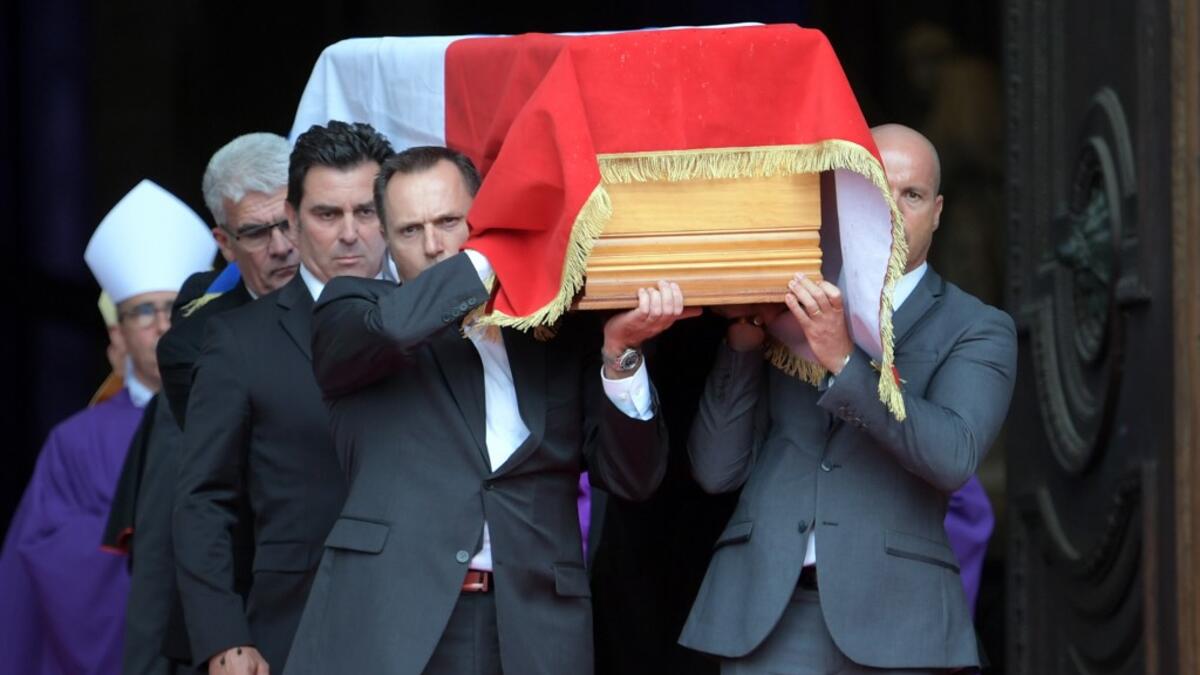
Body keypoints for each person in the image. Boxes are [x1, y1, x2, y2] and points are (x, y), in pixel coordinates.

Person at [285, 146, 690, 675]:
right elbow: (394, 329)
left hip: (536, 627)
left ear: (480, 219)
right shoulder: (351, 311)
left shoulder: (555, 331)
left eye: (450, 221)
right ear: (384, 239)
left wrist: (621, 356)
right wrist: (498, 253)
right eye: (410, 230)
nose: (434, 246)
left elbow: (632, 478)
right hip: (395, 625)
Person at [678, 124, 1018, 673]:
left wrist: (842, 359)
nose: (892, 208)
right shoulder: (786, 302)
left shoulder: (976, 327)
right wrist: (742, 342)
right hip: (768, 613)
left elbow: (952, 456)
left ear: (937, 211)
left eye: (911, 195)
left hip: (900, 621)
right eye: (877, 188)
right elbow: (716, 469)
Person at [172, 121, 392, 675]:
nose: (349, 234)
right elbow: (203, 499)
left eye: (365, 212)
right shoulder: (237, 341)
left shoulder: (439, 321)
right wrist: (224, 637)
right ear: (296, 219)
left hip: (439, 624)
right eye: (327, 214)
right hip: (299, 627)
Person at [0, 179, 216, 674]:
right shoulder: (74, 441)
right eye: (145, 312)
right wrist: (149, 542)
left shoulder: (238, 408)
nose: (164, 325)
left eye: (175, 307)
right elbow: (43, 555)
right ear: (117, 332)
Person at [104, 133, 296, 675]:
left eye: (289, 222)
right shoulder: (198, 335)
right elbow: (195, 510)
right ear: (225, 243)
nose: (281, 246)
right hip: (244, 608)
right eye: (258, 232)